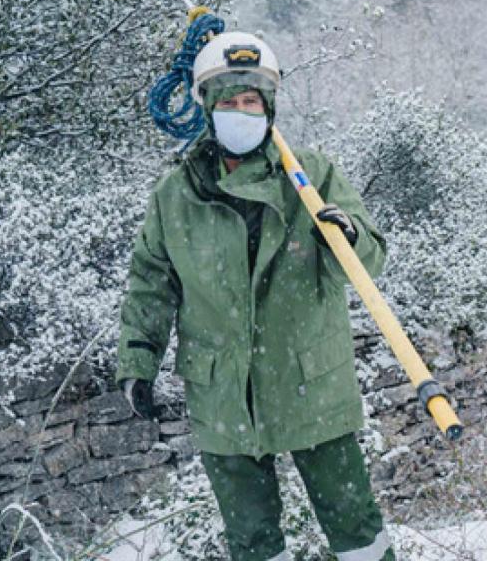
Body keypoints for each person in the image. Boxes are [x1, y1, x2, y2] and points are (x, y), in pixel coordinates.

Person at [115, 31, 395, 561]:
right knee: (252, 542)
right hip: (223, 392)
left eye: (251, 101)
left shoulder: (310, 175)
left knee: (355, 526)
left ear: (269, 108)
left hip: (312, 383)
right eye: (229, 102)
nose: (241, 112)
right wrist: (137, 362)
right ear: (207, 109)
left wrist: (347, 235)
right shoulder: (176, 195)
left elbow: (370, 261)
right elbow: (151, 282)